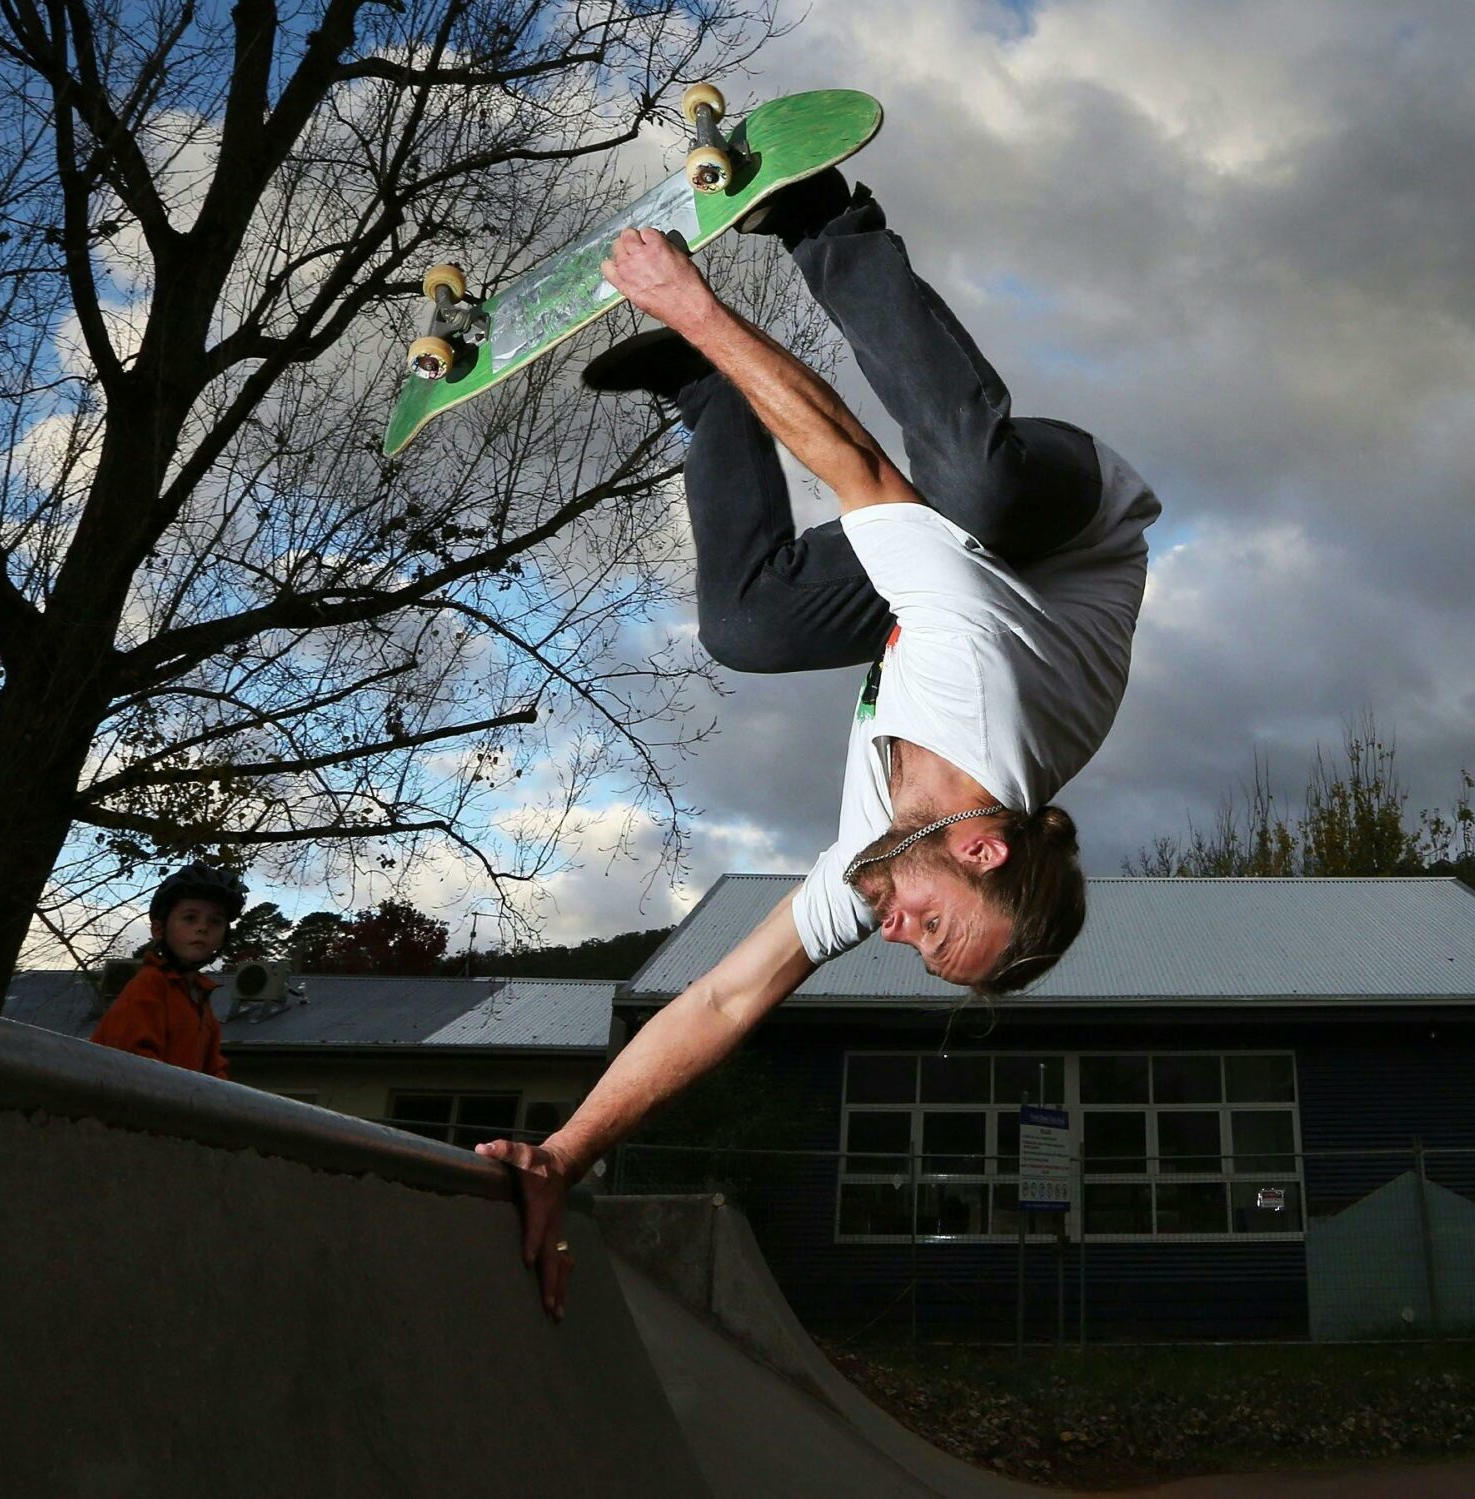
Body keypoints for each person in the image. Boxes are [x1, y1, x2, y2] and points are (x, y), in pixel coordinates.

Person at [477, 173, 1158, 1317]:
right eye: (925, 925)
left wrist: (565, 1149)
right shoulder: (977, 698)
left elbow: (726, 1002)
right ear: (982, 850)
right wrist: (690, 298)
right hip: (1059, 529)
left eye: (903, 941)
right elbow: (852, 461)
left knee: (745, 624)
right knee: (972, 484)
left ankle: (705, 402)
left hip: (933, 586)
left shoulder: (872, 860)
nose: (888, 926)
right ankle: (823, 223)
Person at [90, 862, 247, 1079]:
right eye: (190, 918)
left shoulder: (199, 997)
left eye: (215, 921)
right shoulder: (149, 985)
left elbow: (214, 1073)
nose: (203, 927)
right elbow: (133, 1065)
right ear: (159, 929)